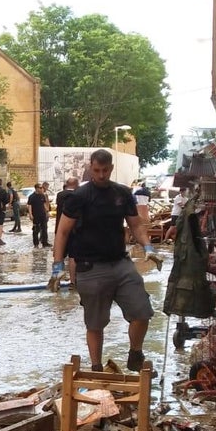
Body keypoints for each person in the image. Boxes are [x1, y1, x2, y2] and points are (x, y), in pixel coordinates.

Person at [50, 150, 161, 373]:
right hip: (90, 268)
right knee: (95, 323)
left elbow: (135, 224)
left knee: (142, 311)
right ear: (91, 168)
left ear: (111, 168)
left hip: (120, 263)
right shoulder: (78, 197)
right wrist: (58, 265)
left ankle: (135, 354)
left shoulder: (122, 193)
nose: (101, 175)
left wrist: (148, 246)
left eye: (105, 170)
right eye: (97, 170)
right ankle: (96, 368)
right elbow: (62, 232)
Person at [28, 183, 51, 247]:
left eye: (42, 188)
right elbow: (29, 205)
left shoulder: (42, 195)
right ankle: (36, 243)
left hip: (43, 214)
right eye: (40, 188)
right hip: (36, 215)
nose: (42, 189)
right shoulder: (32, 196)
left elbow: (44, 204)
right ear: (36, 188)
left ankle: (45, 243)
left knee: (44, 228)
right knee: (36, 229)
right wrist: (30, 214)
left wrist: (47, 212)